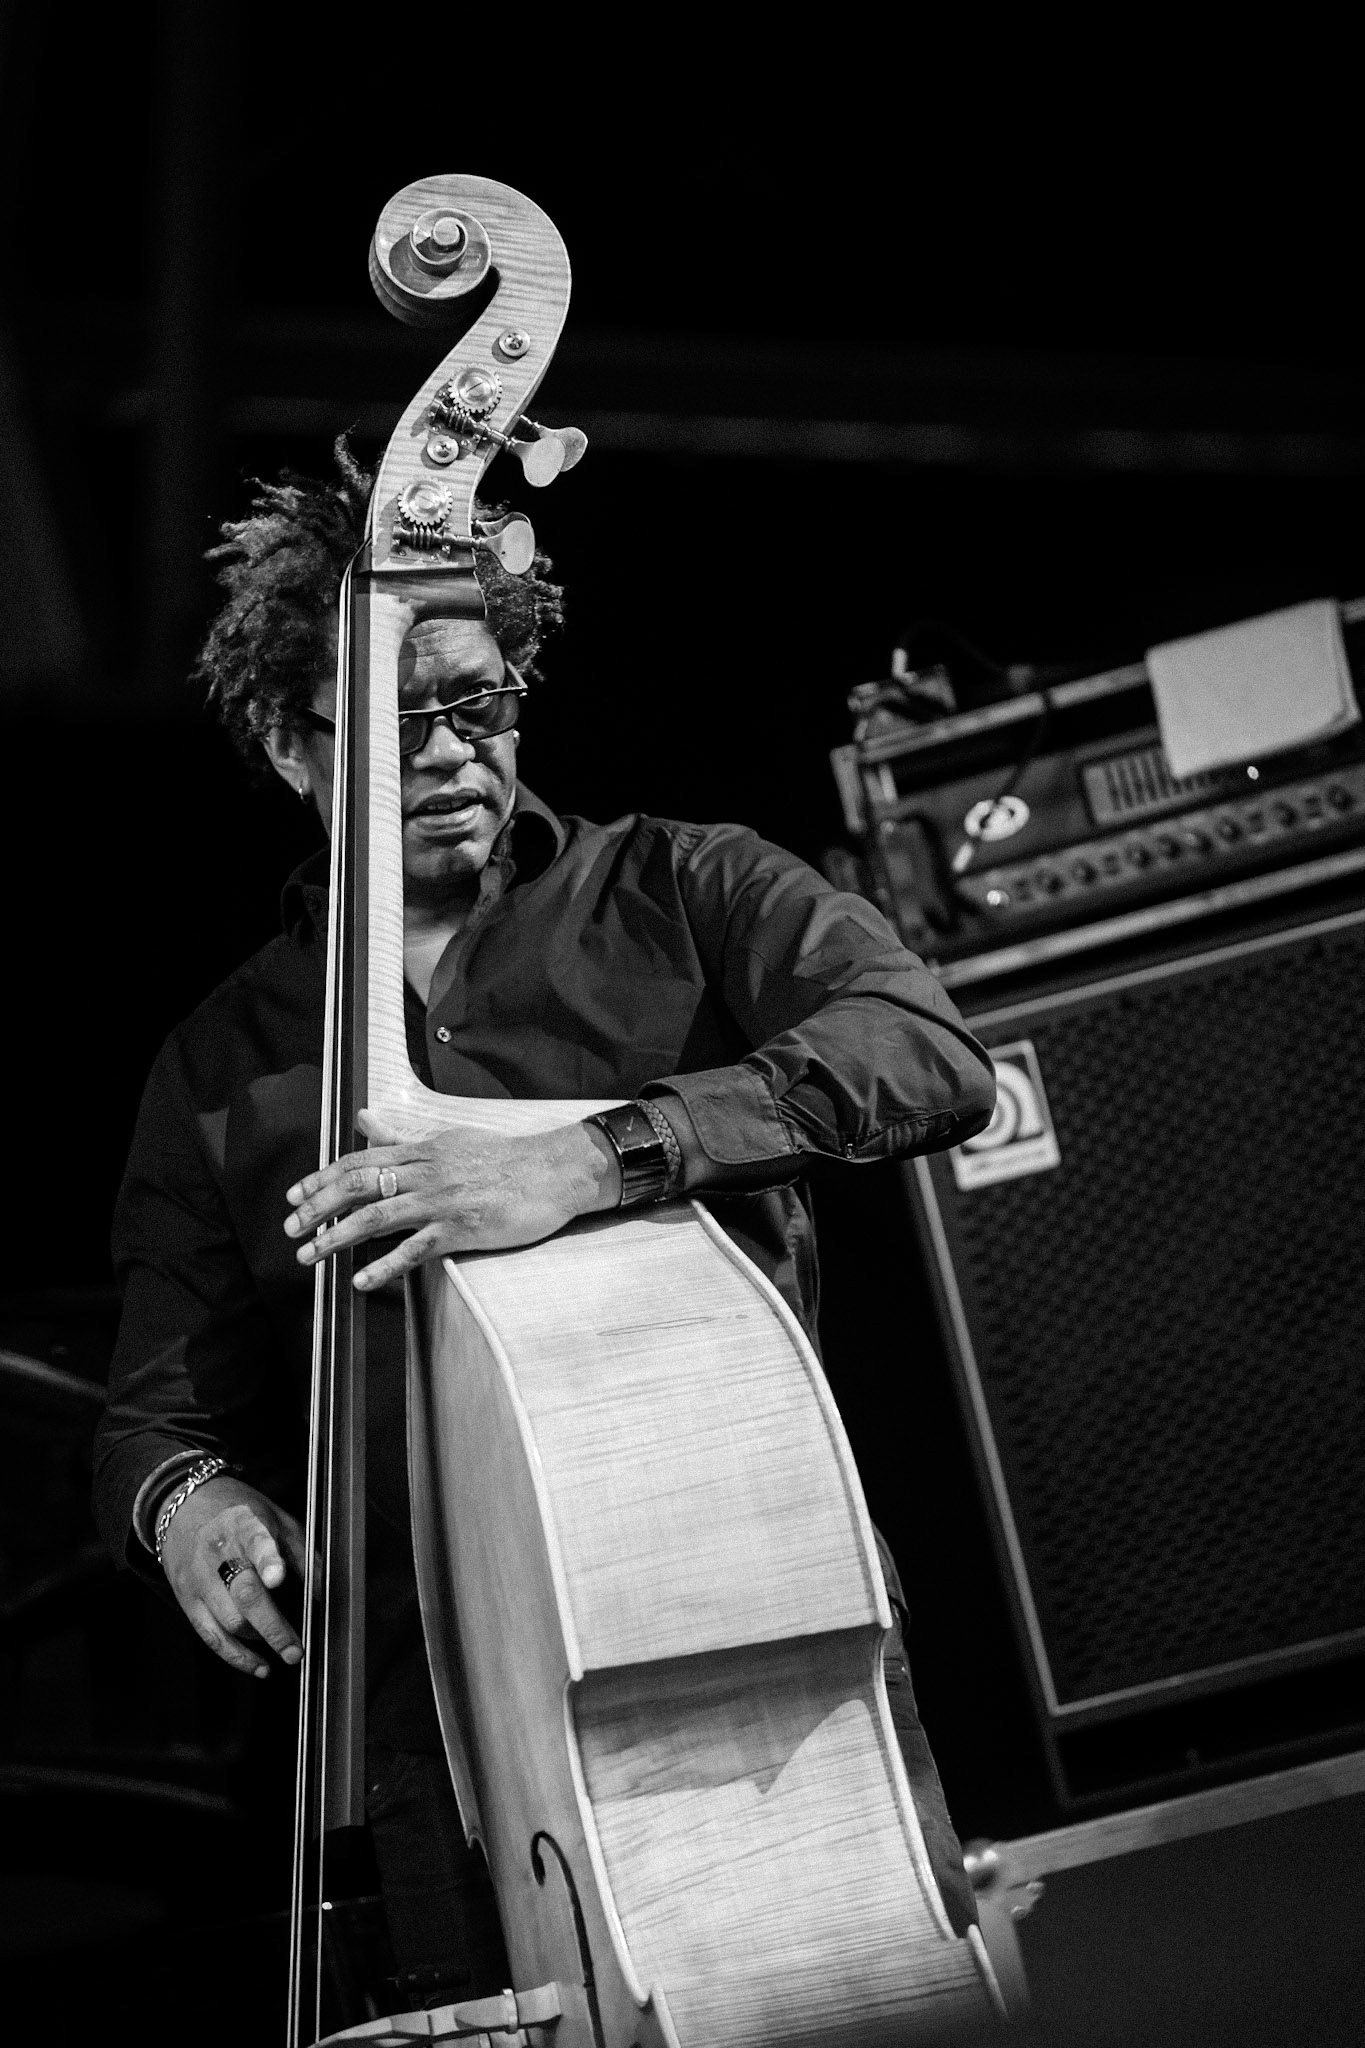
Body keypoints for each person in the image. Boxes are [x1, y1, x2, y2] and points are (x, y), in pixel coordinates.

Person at [92, 443, 997, 2010]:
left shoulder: (687, 889)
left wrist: (591, 1158)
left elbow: (926, 1055)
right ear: (285, 747)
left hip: (736, 1644)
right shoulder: (220, 1066)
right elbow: (151, 1414)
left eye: (481, 701)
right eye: (394, 721)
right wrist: (194, 1511)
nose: (452, 753)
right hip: (433, 1745)